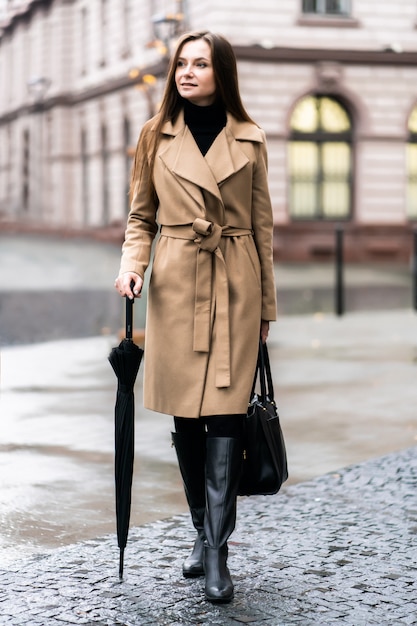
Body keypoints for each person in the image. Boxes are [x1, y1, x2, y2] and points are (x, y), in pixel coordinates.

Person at [115, 31, 277, 603]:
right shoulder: (154, 136)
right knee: (187, 415)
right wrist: (133, 266)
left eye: (200, 64)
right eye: (181, 63)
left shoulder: (250, 139)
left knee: (227, 415)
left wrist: (266, 309)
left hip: (235, 284)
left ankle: (217, 549)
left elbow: (261, 230)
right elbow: (141, 217)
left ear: (221, 72)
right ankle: (201, 531)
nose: (187, 72)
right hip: (178, 283)